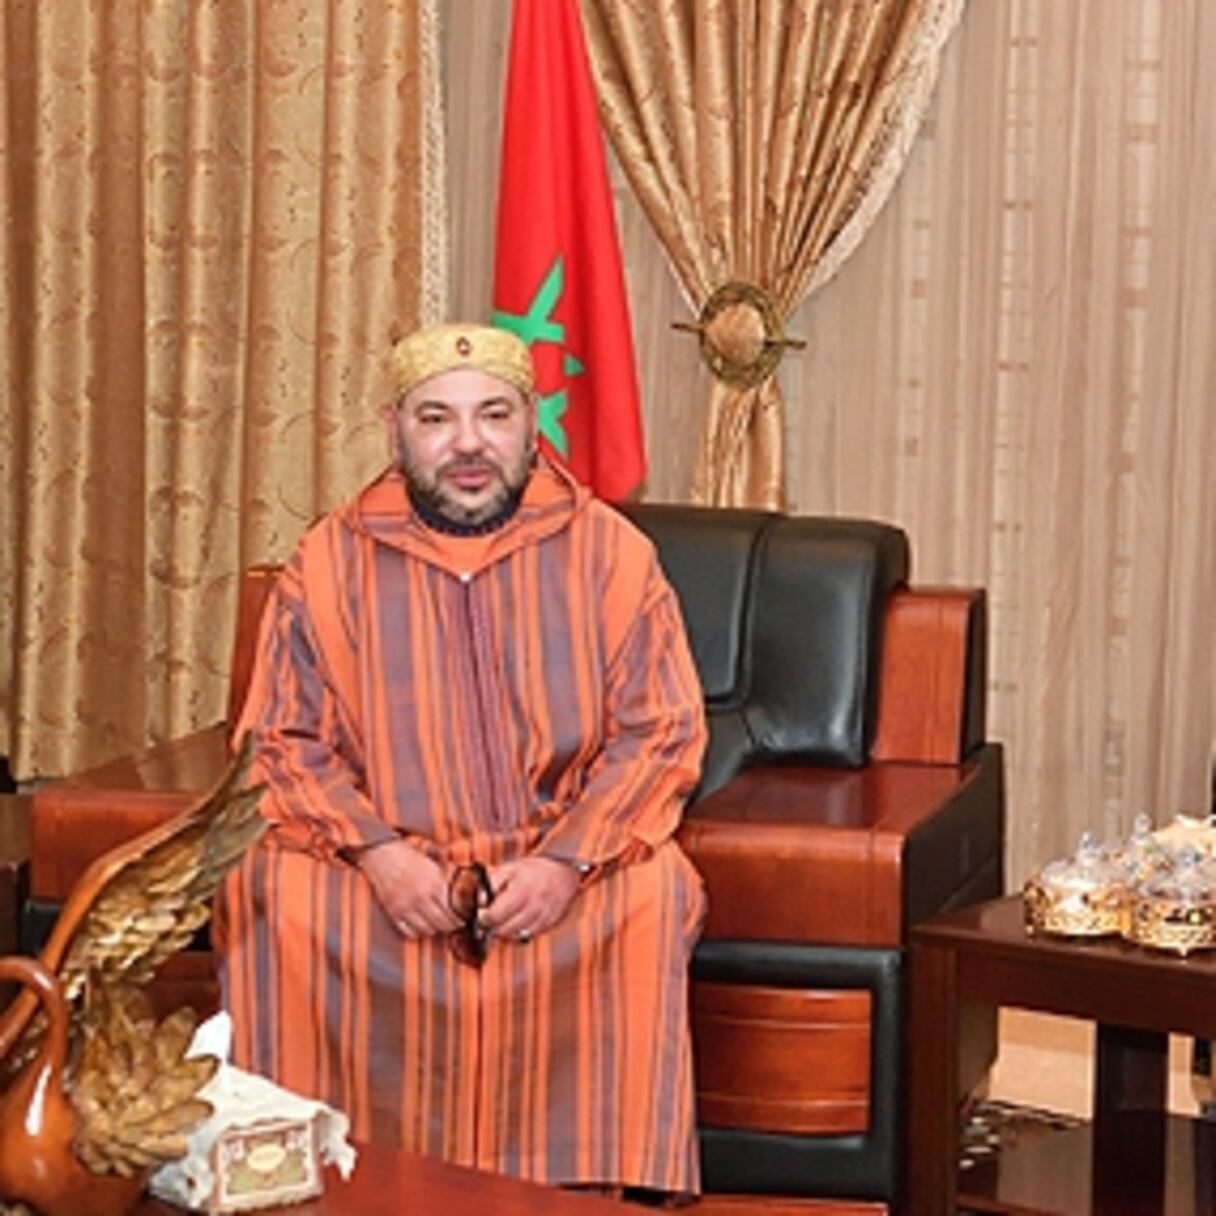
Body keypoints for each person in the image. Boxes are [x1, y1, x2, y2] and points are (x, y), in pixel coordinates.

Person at [216, 321, 708, 1198]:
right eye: (437, 419)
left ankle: (588, 1186)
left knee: (656, 891)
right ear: (394, 429)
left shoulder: (612, 556)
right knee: (270, 889)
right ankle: (305, 1177)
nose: (470, 444)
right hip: (387, 870)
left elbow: (661, 731)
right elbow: (279, 743)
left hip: (554, 871)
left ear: (531, 425)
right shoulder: (328, 562)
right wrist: (378, 854)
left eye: (495, 415)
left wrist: (566, 861)